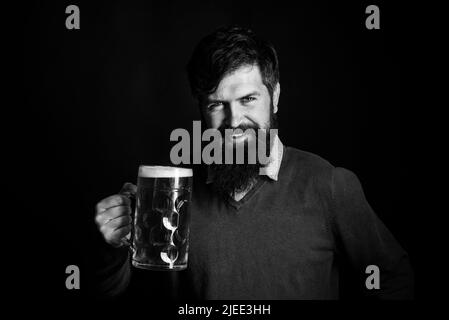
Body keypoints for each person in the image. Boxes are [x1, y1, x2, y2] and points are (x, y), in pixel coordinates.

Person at [93, 26, 413, 299]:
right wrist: (114, 245)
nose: (234, 120)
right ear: (201, 109)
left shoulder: (328, 184)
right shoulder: (170, 193)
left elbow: (394, 278)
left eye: (248, 99)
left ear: (274, 96)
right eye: (217, 104)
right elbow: (120, 291)